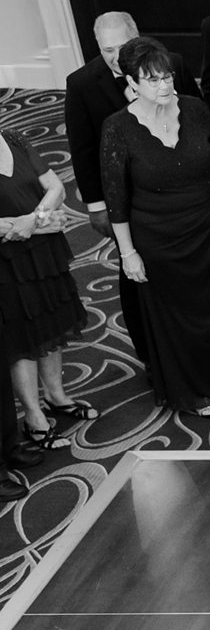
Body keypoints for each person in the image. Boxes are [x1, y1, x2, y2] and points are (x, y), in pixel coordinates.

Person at [100, 37, 210, 416]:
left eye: (167, 77)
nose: (165, 85)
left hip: (209, 227)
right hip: (158, 241)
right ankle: (194, 392)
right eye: (153, 80)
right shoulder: (117, 129)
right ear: (132, 84)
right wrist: (128, 253)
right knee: (181, 320)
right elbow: (116, 201)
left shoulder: (193, 109)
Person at [0, 124, 89, 464]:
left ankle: (56, 395)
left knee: (52, 321)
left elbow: (55, 187)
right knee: (22, 335)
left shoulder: (14, 139)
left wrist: (33, 220)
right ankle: (33, 416)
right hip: (7, 262)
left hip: (42, 249)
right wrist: (29, 224)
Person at [65, 12, 196, 222]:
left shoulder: (173, 64)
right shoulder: (81, 84)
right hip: (130, 193)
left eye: (123, 46)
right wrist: (97, 206)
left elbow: (199, 122)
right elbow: (83, 151)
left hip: (185, 179)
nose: (117, 56)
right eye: (108, 50)